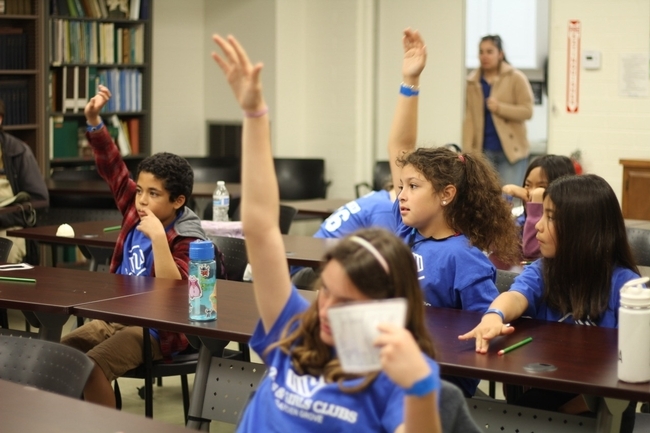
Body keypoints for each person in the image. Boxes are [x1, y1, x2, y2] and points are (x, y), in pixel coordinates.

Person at [212, 33, 446, 432]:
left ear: (385, 307)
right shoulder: (295, 327)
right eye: (326, 292)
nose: (325, 310)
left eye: (347, 301)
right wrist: (254, 116)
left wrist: (423, 389)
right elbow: (261, 228)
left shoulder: (395, 374)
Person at [387, 29, 520, 398]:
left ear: (446, 194)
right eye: (403, 186)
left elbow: (483, 328)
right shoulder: (406, 229)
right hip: (398, 361)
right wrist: (410, 82)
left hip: (441, 380)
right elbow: (400, 147)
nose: (402, 195)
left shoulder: (465, 258)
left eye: (414, 187)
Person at [61, 85, 212, 408]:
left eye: (153, 194)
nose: (141, 200)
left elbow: (177, 294)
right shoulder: (135, 207)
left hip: (158, 329)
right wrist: (94, 120)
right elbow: (112, 167)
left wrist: (159, 238)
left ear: (178, 200)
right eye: (140, 190)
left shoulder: (188, 237)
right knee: (58, 354)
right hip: (118, 315)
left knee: (91, 368)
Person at [459, 174, 639, 432]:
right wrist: (494, 316)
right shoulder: (545, 269)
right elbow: (516, 295)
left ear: (583, 227)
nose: (538, 226)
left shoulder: (625, 287)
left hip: (606, 406)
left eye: (551, 217)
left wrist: (563, 412)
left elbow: (629, 377)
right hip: (552, 396)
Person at [462, 35, 534, 187]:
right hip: (483, 151)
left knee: (509, 199)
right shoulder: (473, 82)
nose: (484, 56)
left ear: (500, 54)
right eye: (481, 52)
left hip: (511, 152)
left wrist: (500, 108)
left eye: (489, 51)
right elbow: (469, 119)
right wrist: (466, 152)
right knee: (485, 199)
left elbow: (527, 111)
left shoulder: (515, 77)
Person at [0, 98, 49, 263]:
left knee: (8, 251)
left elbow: (40, 201)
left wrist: (5, 217)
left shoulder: (18, 152)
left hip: (9, 229)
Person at [502, 154, 576, 260]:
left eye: (541, 187)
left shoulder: (562, 226)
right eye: (528, 185)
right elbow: (493, 243)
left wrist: (536, 204)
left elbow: (530, 251)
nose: (532, 192)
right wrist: (506, 193)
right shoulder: (522, 219)